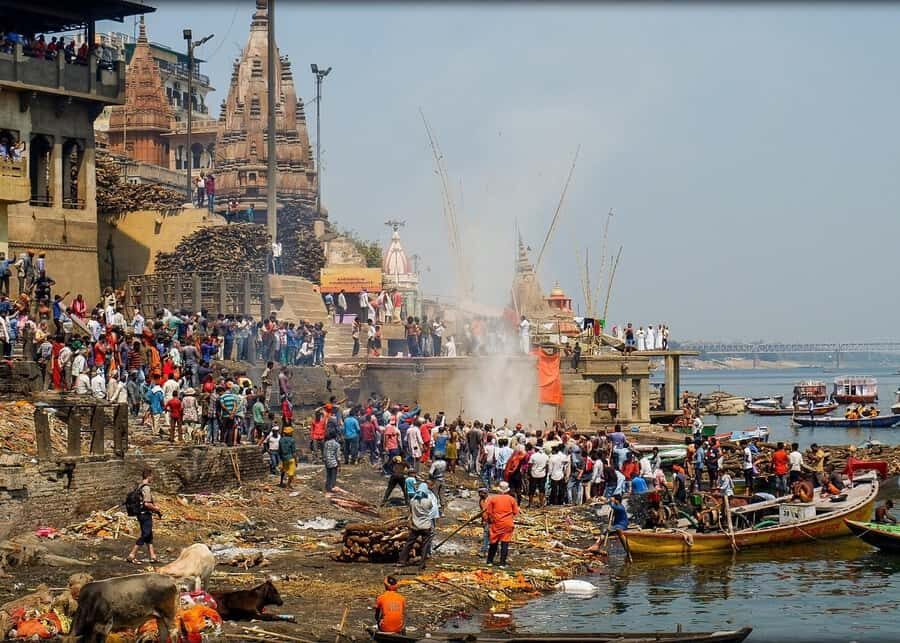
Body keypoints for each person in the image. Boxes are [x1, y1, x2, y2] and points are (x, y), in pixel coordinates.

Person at [126, 468, 162, 564]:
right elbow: (146, 504)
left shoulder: (139, 486)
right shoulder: (146, 488)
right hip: (145, 514)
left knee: (149, 534)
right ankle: (132, 554)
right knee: (145, 534)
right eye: (152, 476)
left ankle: (153, 556)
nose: (153, 478)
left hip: (139, 513)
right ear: (149, 476)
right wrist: (156, 509)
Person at [398, 482, 435, 570]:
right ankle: (422, 564)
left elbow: (411, 511)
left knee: (409, 543)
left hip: (415, 526)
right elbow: (430, 508)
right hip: (426, 526)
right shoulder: (428, 501)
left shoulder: (413, 500)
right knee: (425, 545)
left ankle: (402, 561)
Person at [483, 481, 519, 567]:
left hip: (496, 523)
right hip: (507, 523)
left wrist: (488, 520)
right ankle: (502, 563)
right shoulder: (511, 499)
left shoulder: (493, 499)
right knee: (505, 543)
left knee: (493, 543)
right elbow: (515, 512)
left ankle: (489, 561)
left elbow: (487, 511)